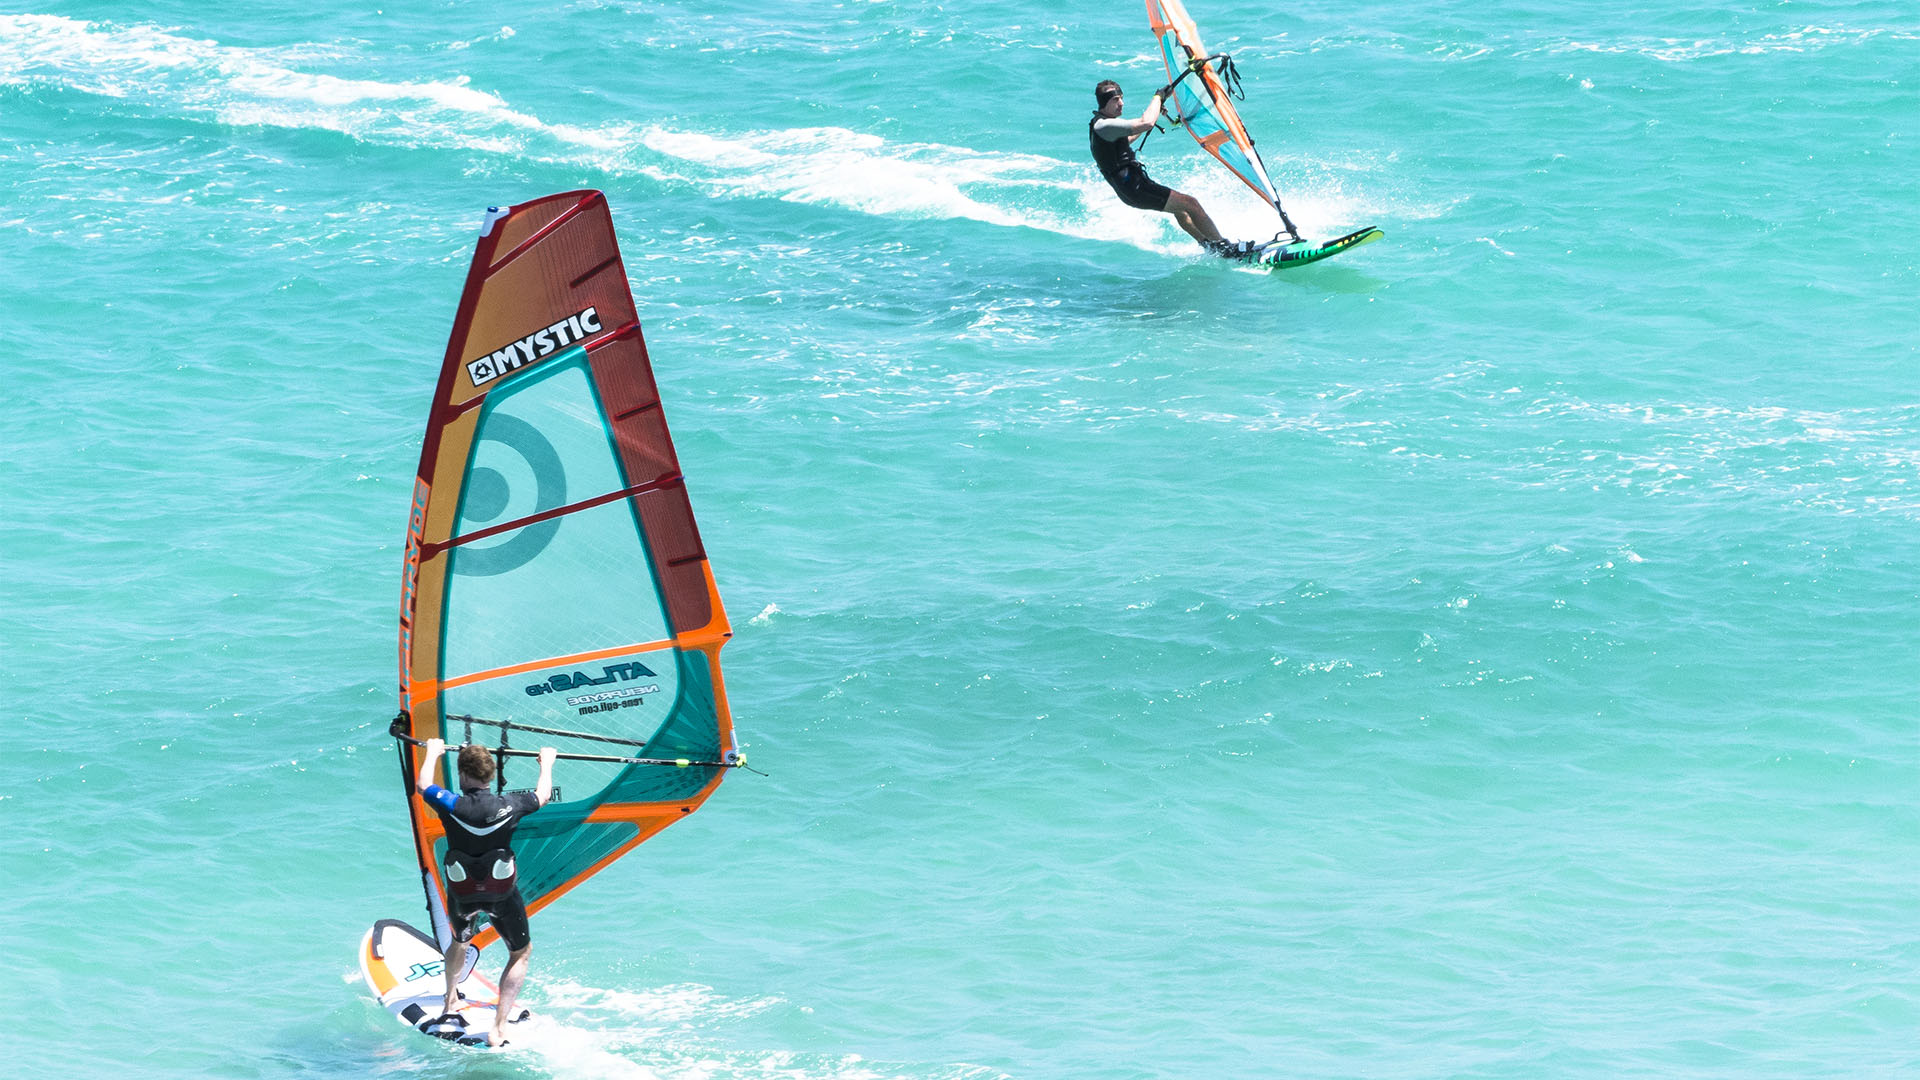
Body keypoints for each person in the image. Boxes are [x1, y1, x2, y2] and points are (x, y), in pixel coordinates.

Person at [414, 736, 558, 1047]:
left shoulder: (451, 803)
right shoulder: (510, 805)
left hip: (463, 894)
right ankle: (498, 1028)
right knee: (520, 953)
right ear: (490, 775)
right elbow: (542, 795)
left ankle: (449, 1002)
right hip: (501, 895)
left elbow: (423, 785)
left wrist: (433, 753)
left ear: (463, 775)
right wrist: (546, 761)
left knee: (460, 940)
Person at [1089, 79, 1255, 257]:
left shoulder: (1103, 125)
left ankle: (1208, 245)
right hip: (1134, 187)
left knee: (1181, 210)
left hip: (1130, 188)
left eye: (1121, 98)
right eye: (1115, 100)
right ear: (1104, 102)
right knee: (1191, 203)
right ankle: (1225, 248)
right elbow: (1146, 123)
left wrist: (1156, 111)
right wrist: (1157, 97)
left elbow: (1125, 141)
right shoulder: (1104, 126)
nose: (1121, 103)